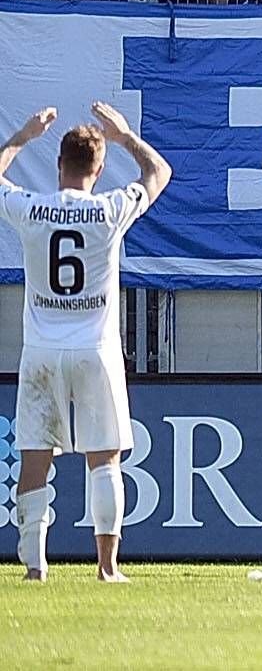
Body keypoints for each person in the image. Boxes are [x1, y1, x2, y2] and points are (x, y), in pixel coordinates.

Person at [4, 102, 168, 583]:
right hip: (95, 348)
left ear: (60, 165)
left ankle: (35, 567)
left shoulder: (32, 209)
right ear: (98, 169)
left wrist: (22, 135)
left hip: (41, 349)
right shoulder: (110, 209)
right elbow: (159, 171)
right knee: (105, 458)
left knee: (35, 455)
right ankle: (106, 566)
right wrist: (125, 137)